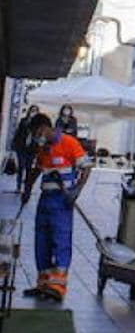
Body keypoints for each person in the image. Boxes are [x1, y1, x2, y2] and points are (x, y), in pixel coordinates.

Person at [21, 113, 91, 302]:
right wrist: (27, 187)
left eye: (37, 133)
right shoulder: (44, 149)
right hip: (45, 201)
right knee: (41, 241)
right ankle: (43, 283)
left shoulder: (69, 143)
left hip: (62, 202)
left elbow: (86, 167)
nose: (37, 137)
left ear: (45, 128)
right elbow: (38, 169)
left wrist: (77, 190)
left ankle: (57, 286)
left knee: (60, 241)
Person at [9, 105, 39, 192]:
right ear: (29, 111)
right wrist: (14, 144)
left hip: (32, 149)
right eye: (32, 110)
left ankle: (27, 187)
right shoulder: (23, 121)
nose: (33, 112)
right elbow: (18, 132)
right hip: (21, 147)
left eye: (35, 111)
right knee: (21, 167)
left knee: (29, 169)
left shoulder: (38, 124)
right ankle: (18, 186)